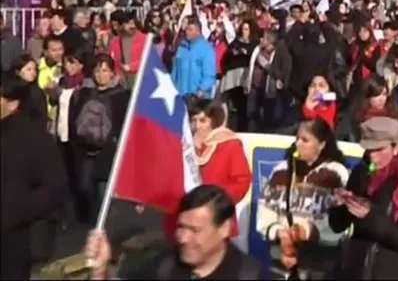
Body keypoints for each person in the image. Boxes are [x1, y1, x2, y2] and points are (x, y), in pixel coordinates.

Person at [85, 185, 266, 280]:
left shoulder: (249, 275)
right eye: (181, 227)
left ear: (224, 229)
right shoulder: (166, 264)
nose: (183, 238)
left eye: (195, 230)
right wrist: (99, 271)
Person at [328, 117, 398, 279]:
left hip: (391, 272)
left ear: (395, 148)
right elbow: (337, 226)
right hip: (353, 271)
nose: (373, 156)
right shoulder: (361, 174)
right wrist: (340, 205)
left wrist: (370, 216)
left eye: (379, 150)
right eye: (369, 150)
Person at [257, 118, 349, 280]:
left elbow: (340, 222)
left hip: (320, 259)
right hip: (282, 256)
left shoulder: (335, 174)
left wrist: (307, 231)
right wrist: (278, 231)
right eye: (297, 139)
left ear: (321, 145)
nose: (298, 144)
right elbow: (266, 207)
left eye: (305, 140)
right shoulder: (281, 171)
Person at [0, 74, 68, 279]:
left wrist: (12, 213)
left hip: (15, 238)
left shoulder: (34, 139)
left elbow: (55, 188)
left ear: (12, 103)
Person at [68, 54, 131, 222]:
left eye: (105, 70)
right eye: (97, 70)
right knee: (85, 187)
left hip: (109, 149)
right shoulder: (83, 93)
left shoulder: (122, 95)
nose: (101, 75)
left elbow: (126, 122)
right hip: (86, 150)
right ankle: (90, 220)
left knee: (105, 192)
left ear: (112, 73)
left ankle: (104, 225)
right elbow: (73, 118)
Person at [190, 101, 252, 236]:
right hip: (191, 215)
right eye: (194, 120)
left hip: (217, 217)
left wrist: (218, 203)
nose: (197, 126)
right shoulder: (187, 145)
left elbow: (242, 179)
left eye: (202, 121)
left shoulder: (229, 144)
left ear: (214, 121)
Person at [172, 17, 217, 98]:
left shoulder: (206, 49)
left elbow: (209, 73)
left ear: (198, 32)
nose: (187, 32)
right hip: (180, 95)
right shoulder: (181, 48)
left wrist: (202, 89)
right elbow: (175, 71)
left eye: (190, 30)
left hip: (197, 96)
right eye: (186, 29)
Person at [107, 10, 148, 88]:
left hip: (140, 81)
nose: (132, 26)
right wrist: (116, 74)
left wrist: (130, 67)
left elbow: (148, 59)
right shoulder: (114, 41)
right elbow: (111, 60)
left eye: (133, 23)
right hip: (121, 83)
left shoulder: (144, 39)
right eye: (128, 24)